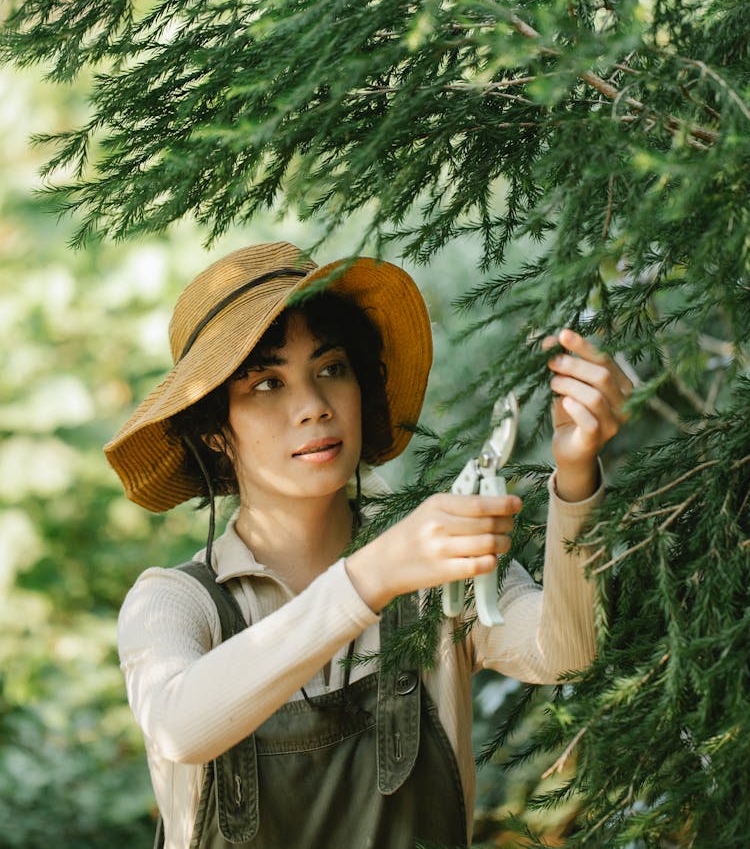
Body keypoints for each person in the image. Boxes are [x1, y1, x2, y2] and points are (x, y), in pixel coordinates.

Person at [108, 241, 630, 849]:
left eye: (331, 368)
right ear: (216, 432)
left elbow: (566, 650)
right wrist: (371, 576)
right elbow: (178, 726)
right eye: (267, 385)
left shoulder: (432, 562)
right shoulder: (173, 603)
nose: (313, 407)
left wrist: (576, 473)